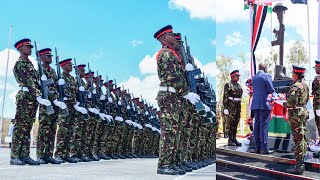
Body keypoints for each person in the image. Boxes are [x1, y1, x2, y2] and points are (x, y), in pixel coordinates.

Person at [154, 25, 200, 175]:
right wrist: (186, 93)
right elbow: (173, 78)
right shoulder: (166, 54)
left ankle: (172, 163)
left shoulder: (172, 54)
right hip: (169, 97)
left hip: (175, 97)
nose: (174, 37)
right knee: (169, 132)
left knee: (176, 132)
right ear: (164, 37)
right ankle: (164, 164)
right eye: (171, 35)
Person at [11, 38, 51, 166]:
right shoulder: (20, 63)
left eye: (30, 47)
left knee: (27, 127)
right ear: (21, 48)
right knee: (20, 128)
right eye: (28, 47)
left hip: (32, 98)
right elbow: (28, 81)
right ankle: (14, 156)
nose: (30, 49)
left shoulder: (30, 64)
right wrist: (38, 94)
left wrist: (42, 84)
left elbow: (35, 81)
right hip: (25, 97)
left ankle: (24, 155)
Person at [54, 58, 88, 163]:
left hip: (73, 108)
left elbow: (75, 94)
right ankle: (58, 154)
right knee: (62, 132)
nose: (71, 66)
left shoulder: (73, 79)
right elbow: (55, 91)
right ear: (63, 66)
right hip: (64, 107)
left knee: (70, 132)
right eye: (69, 65)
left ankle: (66, 154)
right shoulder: (59, 77)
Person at [36, 48, 66, 165]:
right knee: (44, 130)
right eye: (48, 56)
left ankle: (48, 155)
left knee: (52, 130)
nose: (50, 58)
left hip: (54, 103)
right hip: (45, 103)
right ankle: (40, 155)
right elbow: (34, 84)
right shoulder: (39, 70)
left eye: (51, 56)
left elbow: (55, 87)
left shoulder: (53, 71)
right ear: (42, 57)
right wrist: (40, 82)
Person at [285, 65, 309, 175]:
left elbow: (291, 103)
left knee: (298, 139)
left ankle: (299, 166)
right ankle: (301, 162)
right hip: (303, 113)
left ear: (296, 74)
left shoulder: (295, 87)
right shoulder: (305, 85)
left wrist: (284, 103)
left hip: (296, 116)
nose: (292, 76)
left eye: (292, 74)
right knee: (303, 138)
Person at [251, 64, 275, 154]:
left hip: (255, 104)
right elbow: (270, 89)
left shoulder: (254, 78)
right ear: (265, 68)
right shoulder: (267, 76)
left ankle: (257, 147)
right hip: (264, 104)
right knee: (264, 126)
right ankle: (264, 148)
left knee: (256, 125)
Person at [223, 70, 243, 146]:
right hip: (231, 106)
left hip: (238, 106)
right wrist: (225, 108)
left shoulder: (239, 85)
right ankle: (230, 140)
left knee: (236, 123)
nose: (238, 77)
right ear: (232, 76)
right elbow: (225, 96)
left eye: (238, 76)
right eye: (237, 76)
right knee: (231, 123)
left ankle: (234, 138)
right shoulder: (228, 85)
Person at [312, 60, 320, 140]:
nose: (315, 69)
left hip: (318, 105)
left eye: (316, 68)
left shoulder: (317, 78)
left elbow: (314, 90)